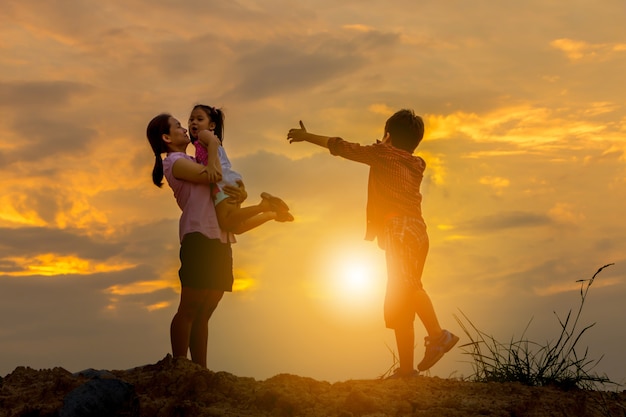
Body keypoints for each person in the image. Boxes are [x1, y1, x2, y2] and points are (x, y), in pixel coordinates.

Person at [286, 109, 458, 377]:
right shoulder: (417, 163)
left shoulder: (382, 154)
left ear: (387, 135)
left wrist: (306, 136)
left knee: (408, 287)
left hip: (399, 229)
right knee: (401, 298)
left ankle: (438, 335)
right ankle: (406, 370)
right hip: (419, 232)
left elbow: (340, 146)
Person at [146, 113, 288, 368]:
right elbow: (212, 175)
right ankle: (180, 367)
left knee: (205, 312)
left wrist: (240, 192)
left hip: (218, 238)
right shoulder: (175, 163)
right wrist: (212, 143)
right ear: (167, 138)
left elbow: (220, 186)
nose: (184, 128)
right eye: (178, 126)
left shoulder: (192, 159)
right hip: (198, 237)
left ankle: (201, 370)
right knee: (189, 308)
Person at [188, 104, 293, 235]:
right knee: (236, 227)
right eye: (191, 119)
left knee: (226, 220)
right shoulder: (202, 141)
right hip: (228, 178)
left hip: (223, 179)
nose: (194, 122)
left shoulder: (204, 135)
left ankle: (264, 206)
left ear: (212, 126)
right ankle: (272, 214)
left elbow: (214, 143)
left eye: (199, 119)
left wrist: (210, 166)